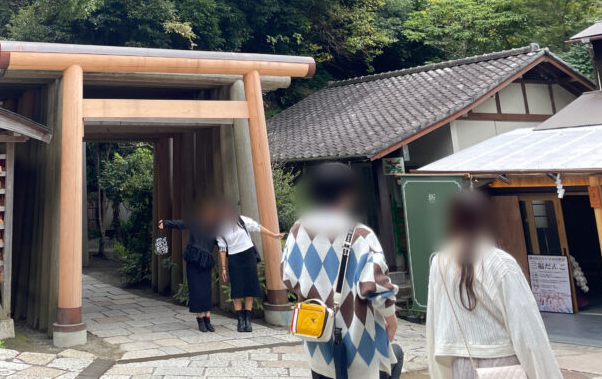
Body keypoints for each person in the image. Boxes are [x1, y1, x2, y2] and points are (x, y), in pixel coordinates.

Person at [282, 162, 403, 379]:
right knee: (396, 356)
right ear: (348, 194)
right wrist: (391, 320)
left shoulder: (297, 229)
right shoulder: (361, 235)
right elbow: (377, 289)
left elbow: (288, 277)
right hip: (360, 347)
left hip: (318, 341)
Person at [426, 189, 563, 379]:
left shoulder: (439, 262)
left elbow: (435, 322)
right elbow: (528, 331)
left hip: (461, 366)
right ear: (487, 220)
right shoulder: (500, 262)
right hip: (504, 364)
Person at [217, 201, 284, 332]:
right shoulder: (220, 229)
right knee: (236, 290)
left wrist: (274, 235)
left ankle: (248, 319)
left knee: (250, 287)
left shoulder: (243, 221)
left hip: (248, 256)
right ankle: (240, 320)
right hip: (234, 258)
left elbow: (258, 227)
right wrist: (224, 268)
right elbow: (222, 249)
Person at [159, 197, 222, 332]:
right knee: (196, 289)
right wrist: (165, 223)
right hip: (193, 259)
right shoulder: (195, 222)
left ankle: (207, 318)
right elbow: (180, 224)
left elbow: (221, 243)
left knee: (206, 290)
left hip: (206, 261)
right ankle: (200, 319)